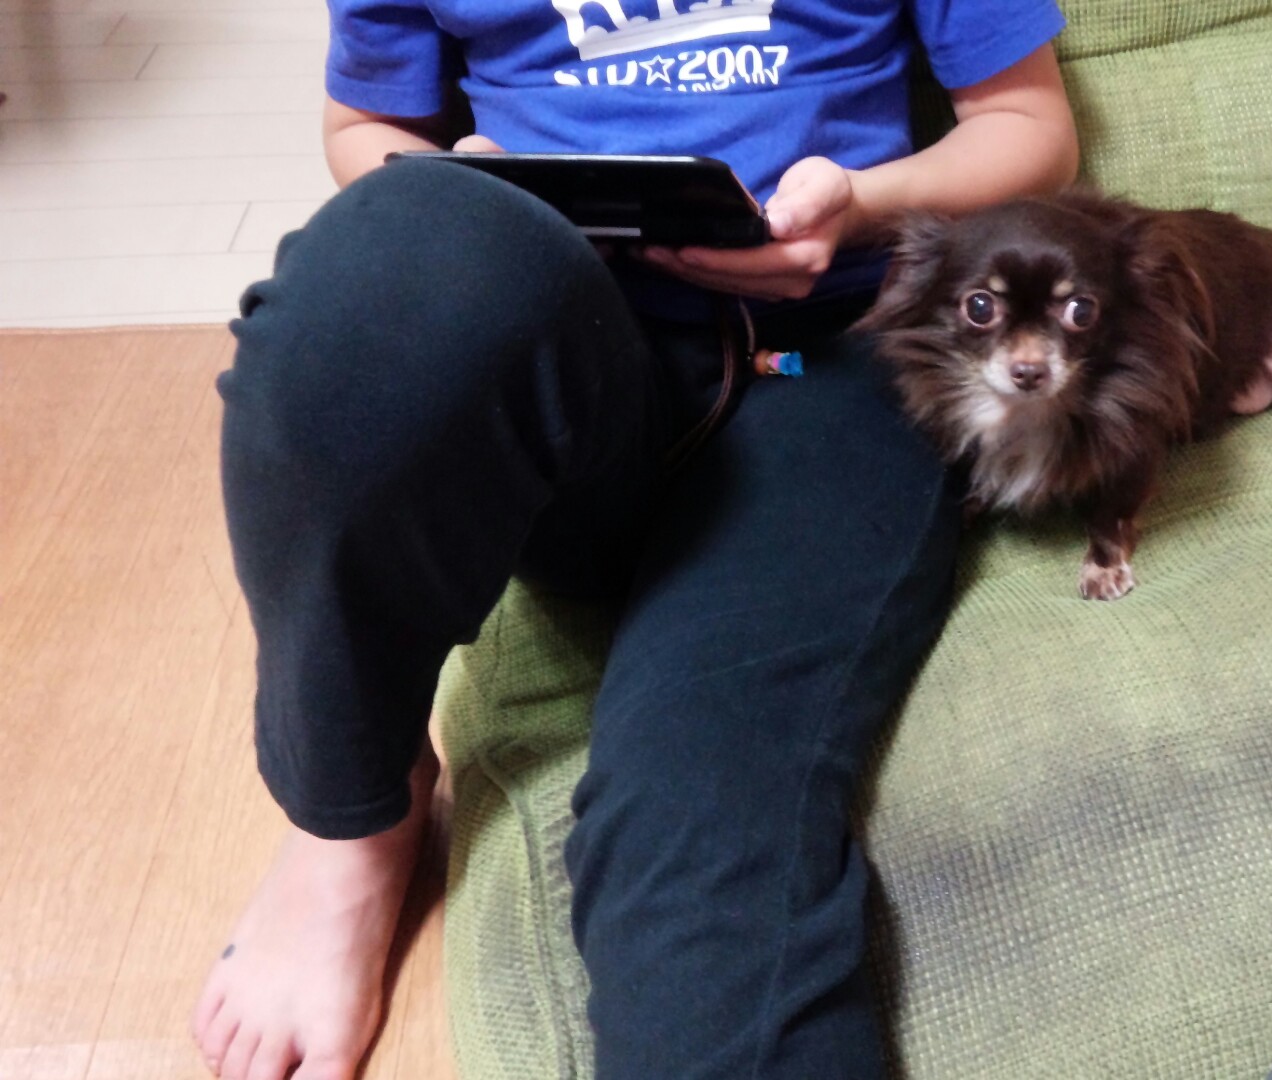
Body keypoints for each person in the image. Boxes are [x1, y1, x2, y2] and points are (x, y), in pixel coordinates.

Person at [186, 0, 1079, 1073]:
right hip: (555, 359)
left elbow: (1031, 128)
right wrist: (472, 193)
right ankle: (352, 819)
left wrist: (862, 210)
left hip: (826, 366)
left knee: (694, 842)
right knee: (393, 249)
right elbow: (363, 132)